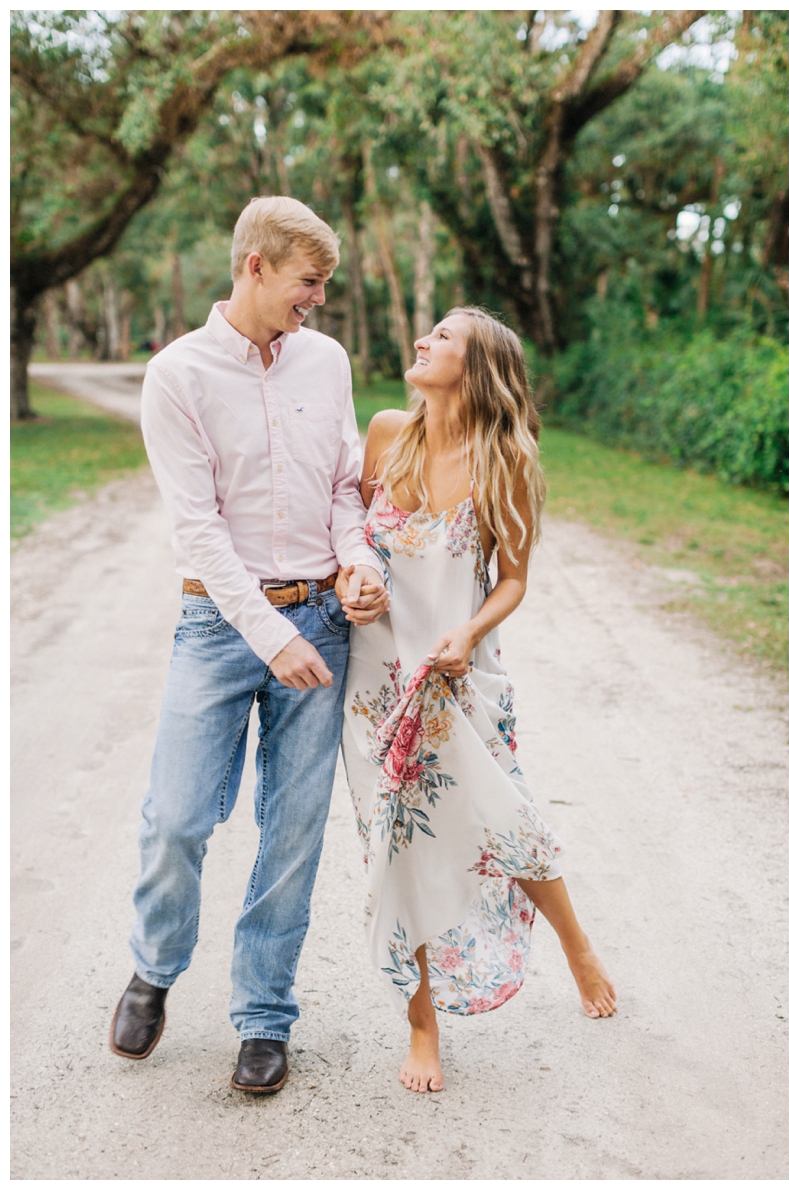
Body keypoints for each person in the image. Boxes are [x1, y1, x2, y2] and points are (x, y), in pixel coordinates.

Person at [109, 196, 388, 1094]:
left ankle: (264, 1018)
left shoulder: (327, 360)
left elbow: (346, 483)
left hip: (323, 621)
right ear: (256, 267)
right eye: (309, 282)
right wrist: (269, 637)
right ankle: (155, 968)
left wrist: (355, 563)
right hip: (220, 623)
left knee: (293, 831)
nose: (318, 299)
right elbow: (199, 531)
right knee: (178, 818)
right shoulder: (177, 376)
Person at [339, 307, 616, 1094]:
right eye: (426, 333)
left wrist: (468, 631)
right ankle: (422, 1026)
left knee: (505, 816)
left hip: (461, 672)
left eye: (443, 338)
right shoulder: (389, 432)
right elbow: (355, 541)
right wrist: (352, 581)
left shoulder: (507, 459)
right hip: (378, 680)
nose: (422, 342)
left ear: (478, 365)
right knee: (393, 846)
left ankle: (575, 942)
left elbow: (516, 579)